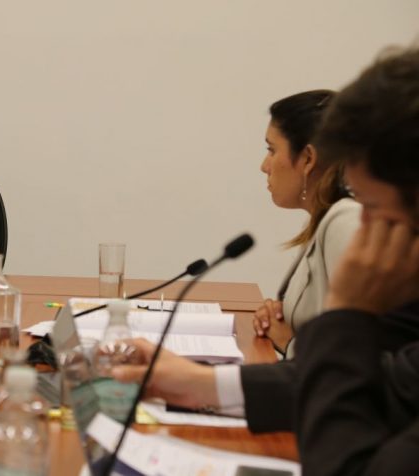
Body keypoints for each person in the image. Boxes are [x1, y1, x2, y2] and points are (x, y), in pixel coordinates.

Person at [113, 46, 419, 475]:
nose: (363, 225)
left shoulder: (344, 224)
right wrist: (194, 383)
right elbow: (389, 384)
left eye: (374, 207)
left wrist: (347, 317)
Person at [254, 90, 361, 357]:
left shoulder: (345, 222)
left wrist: (290, 343)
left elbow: (355, 353)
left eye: (271, 150)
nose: (264, 166)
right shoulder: (328, 217)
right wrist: (282, 316)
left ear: (308, 159)